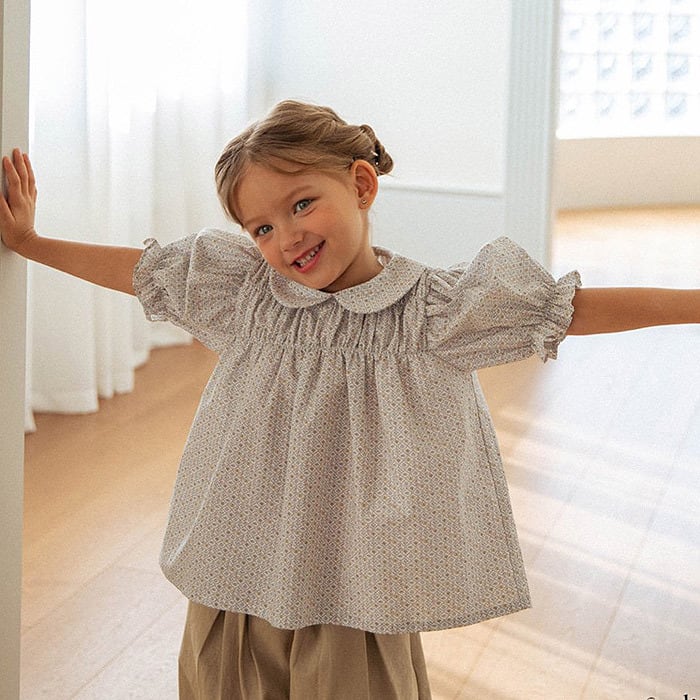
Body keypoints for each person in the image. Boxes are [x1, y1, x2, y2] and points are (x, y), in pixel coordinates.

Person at [1, 101, 698, 700]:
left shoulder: (433, 312)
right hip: (238, 558)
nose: (286, 237)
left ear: (361, 184)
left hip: (355, 578)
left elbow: (574, 310)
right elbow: (138, 271)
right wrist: (30, 241)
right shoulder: (243, 293)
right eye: (261, 228)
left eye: (301, 204)